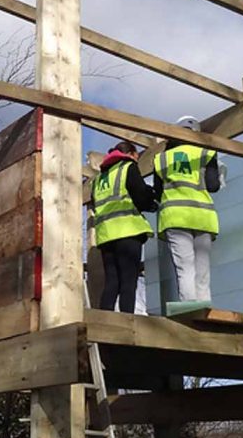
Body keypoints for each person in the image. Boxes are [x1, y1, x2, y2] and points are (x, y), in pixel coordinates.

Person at [153, 115, 221, 304]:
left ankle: (190, 310)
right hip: (202, 216)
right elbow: (213, 185)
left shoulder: (161, 159)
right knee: (203, 270)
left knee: (185, 268)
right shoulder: (206, 153)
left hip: (175, 217)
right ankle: (205, 308)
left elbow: (158, 193)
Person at [90, 141, 156, 313]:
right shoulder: (128, 167)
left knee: (112, 282)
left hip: (106, 236)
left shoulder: (99, 179)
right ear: (132, 154)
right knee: (128, 280)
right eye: (137, 156)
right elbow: (140, 196)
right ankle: (128, 324)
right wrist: (152, 202)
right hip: (128, 231)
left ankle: (104, 327)